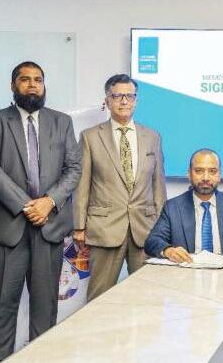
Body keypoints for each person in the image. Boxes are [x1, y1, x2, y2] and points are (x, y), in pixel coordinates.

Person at [0, 61, 82, 361]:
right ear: (13, 85)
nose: (32, 85)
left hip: (49, 227)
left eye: (38, 79)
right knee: (2, 304)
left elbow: (73, 168)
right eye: (25, 79)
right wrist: (28, 205)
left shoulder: (61, 122)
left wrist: (48, 202)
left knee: (45, 305)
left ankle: (41, 357)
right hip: (8, 229)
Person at [74, 74, 166, 301]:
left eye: (129, 96)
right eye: (117, 96)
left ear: (136, 100)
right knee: (99, 298)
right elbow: (82, 185)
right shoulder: (90, 137)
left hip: (145, 230)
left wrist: (162, 228)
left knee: (148, 297)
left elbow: (158, 185)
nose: (124, 101)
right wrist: (79, 227)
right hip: (104, 228)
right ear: (107, 100)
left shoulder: (152, 137)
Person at [144, 149, 223, 262]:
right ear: (189, 174)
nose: (206, 178)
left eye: (212, 171)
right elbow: (152, 241)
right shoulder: (172, 207)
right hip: (186, 272)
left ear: (219, 175)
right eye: (199, 171)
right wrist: (168, 251)